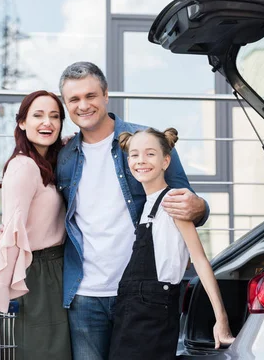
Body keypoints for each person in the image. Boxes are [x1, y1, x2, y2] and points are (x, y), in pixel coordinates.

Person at [56, 61, 210, 360]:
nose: (83, 105)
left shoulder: (145, 141)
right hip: (85, 295)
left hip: (143, 293)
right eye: (74, 99)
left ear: (106, 96)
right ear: (66, 104)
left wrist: (200, 207)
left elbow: (186, 201)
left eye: (91, 96)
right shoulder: (64, 156)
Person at [109, 127, 234, 360]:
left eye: (150, 154)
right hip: (131, 308)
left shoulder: (174, 201)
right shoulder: (147, 204)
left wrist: (222, 320)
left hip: (153, 313)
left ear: (166, 161)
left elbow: (199, 259)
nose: (141, 161)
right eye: (134, 155)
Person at [0, 90, 72, 360]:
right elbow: (11, 231)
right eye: (37, 115)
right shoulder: (23, 167)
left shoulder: (47, 163)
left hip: (57, 270)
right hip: (36, 275)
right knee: (42, 352)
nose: (47, 123)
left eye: (54, 116)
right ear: (22, 122)